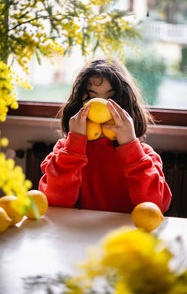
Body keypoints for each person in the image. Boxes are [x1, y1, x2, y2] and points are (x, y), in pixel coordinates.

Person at [38, 57, 172, 213]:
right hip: (77, 235)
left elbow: (156, 207)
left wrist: (130, 146)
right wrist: (73, 148)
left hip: (125, 236)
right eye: (91, 97)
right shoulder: (64, 151)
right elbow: (53, 204)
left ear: (125, 105)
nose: (101, 105)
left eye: (111, 98)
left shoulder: (143, 155)